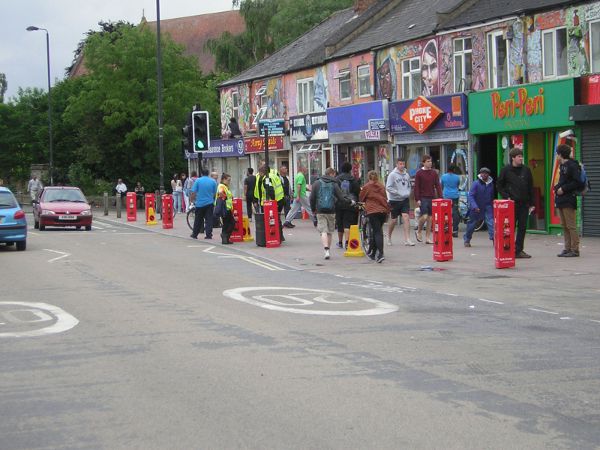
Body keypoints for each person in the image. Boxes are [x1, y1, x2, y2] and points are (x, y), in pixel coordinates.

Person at [497, 147, 535, 259]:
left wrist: (532, 203)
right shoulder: (506, 170)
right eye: (519, 157)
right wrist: (506, 196)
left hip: (524, 203)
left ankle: (519, 250)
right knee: (510, 227)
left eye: (521, 156)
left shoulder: (526, 170)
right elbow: (499, 185)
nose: (521, 158)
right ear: (513, 158)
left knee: (522, 227)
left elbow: (530, 186)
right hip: (511, 204)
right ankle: (508, 248)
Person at [310, 167, 352, 260]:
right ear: (332, 174)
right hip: (331, 210)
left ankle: (326, 250)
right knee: (329, 232)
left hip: (320, 210)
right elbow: (341, 197)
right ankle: (328, 250)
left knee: (323, 231)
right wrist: (349, 202)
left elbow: (312, 198)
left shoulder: (317, 183)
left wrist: (313, 209)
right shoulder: (334, 184)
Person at [554, 144, 581, 257]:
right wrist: (556, 188)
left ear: (560, 154)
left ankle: (575, 249)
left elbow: (576, 182)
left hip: (569, 199)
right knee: (564, 225)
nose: (557, 156)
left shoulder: (572, 165)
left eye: (557, 154)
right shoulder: (563, 165)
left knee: (571, 225)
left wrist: (563, 189)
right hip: (561, 199)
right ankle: (567, 248)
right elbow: (563, 181)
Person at [360, 170, 391, 263]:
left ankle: (381, 253)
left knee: (376, 232)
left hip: (372, 211)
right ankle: (373, 252)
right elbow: (385, 197)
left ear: (368, 177)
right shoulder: (381, 186)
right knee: (377, 230)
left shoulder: (367, 187)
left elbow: (361, 198)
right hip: (383, 210)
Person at [414, 155, 442, 244]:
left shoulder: (434, 173)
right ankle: (418, 231)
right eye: (428, 161)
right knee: (425, 216)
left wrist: (441, 197)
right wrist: (417, 199)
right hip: (423, 197)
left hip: (432, 197)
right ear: (423, 162)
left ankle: (427, 237)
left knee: (430, 218)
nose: (430, 163)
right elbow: (416, 187)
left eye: (430, 161)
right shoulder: (419, 173)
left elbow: (437, 185)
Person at [385, 158, 414, 246]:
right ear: (397, 165)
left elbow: (409, 185)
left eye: (403, 164)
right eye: (400, 164)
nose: (402, 166)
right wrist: (397, 193)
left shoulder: (407, 175)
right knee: (393, 220)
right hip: (394, 200)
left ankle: (407, 239)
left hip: (404, 199)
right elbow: (388, 187)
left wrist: (408, 192)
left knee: (406, 217)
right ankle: (389, 237)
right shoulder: (392, 175)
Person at [463, 167, 495, 247]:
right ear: (480, 174)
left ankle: (494, 238)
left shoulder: (491, 184)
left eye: (486, 173)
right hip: (476, 206)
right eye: (482, 173)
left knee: (491, 222)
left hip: (487, 206)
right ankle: (467, 239)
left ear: (488, 174)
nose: (484, 174)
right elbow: (471, 196)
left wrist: (492, 206)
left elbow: (492, 196)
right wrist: (474, 206)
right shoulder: (476, 183)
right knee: (472, 224)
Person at [254, 164, 286, 241]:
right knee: (277, 219)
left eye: (260, 173)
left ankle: (274, 237)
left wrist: (273, 202)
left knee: (272, 220)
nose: (259, 174)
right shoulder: (274, 176)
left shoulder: (266, 179)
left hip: (273, 203)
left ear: (263, 172)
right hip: (280, 199)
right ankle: (280, 236)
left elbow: (271, 190)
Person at [335, 162, 361, 249]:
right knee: (348, 223)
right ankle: (347, 242)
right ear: (350, 169)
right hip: (351, 204)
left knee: (340, 223)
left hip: (339, 203)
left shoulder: (337, 179)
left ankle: (340, 242)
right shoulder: (354, 179)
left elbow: (334, 192)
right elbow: (358, 192)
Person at [189, 169, 218, 240]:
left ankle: (195, 234)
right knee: (209, 219)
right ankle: (209, 235)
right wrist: (213, 199)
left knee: (198, 219)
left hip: (199, 203)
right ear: (208, 174)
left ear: (201, 174)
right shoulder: (213, 181)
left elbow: (193, 192)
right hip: (209, 203)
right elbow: (215, 193)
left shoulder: (198, 181)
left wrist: (191, 200)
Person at [441, 164, 461, 237]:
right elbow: (457, 185)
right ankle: (455, 230)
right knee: (455, 213)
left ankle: (446, 229)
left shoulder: (443, 176)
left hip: (446, 196)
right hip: (455, 196)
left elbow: (441, 185)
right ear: (454, 170)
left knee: (446, 213)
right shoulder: (457, 177)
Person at [216, 173, 236, 244]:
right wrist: (226, 197)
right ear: (223, 179)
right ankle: (225, 236)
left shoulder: (225, 186)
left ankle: (226, 238)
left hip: (228, 208)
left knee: (227, 223)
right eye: (228, 180)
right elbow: (221, 193)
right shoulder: (221, 186)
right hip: (225, 208)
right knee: (230, 223)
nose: (229, 182)